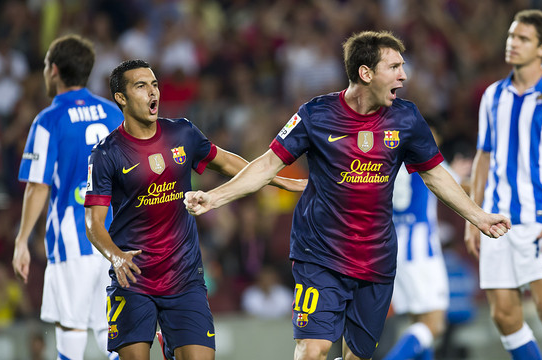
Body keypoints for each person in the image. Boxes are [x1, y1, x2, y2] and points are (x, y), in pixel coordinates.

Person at [184, 30, 511, 360]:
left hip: (376, 259)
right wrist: (215, 197)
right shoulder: (315, 115)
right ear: (366, 73)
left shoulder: (407, 118)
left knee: (357, 356)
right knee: (313, 349)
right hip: (320, 254)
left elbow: (437, 175)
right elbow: (268, 164)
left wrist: (479, 216)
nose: (404, 75)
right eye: (394, 67)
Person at [83, 59, 305, 360]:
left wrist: (279, 180)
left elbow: (227, 162)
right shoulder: (106, 153)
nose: (153, 93)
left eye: (155, 85)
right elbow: (93, 222)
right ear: (121, 98)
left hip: (183, 275)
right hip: (133, 277)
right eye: (141, 86)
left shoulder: (182, 134)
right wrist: (116, 257)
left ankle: (171, 344)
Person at [464, 9, 542, 360]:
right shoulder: (492, 95)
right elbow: (483, 157)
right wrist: (474, 215)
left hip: (539, 219)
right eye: (511, 37)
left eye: (523, 39)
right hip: (496, 222)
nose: (512, 44)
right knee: (503, 315)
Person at [12, 34, 124, 360]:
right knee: (110, 330)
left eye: (46, 64)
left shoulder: (49, 120)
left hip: (72, 239)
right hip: (114, 240)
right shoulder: (114, 114)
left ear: (55, 70)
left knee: (71, 328)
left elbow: (37, 185)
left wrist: (22, 240)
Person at [382, 122, 451, 360]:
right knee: (434, 324)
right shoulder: (430, 161)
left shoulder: (388, 162)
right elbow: (454, 185)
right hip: (421, 250)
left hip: (392, 248)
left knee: (417, 321)